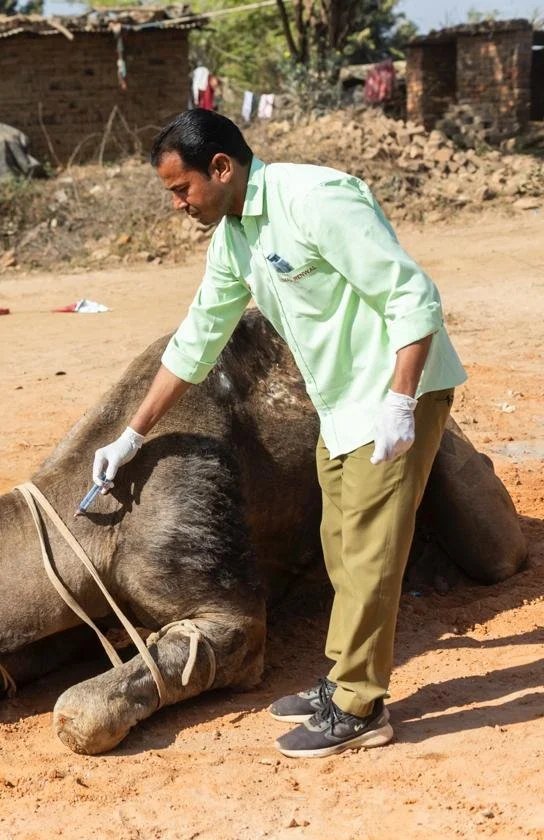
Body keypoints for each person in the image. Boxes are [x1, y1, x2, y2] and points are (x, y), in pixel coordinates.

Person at [90, 109, 466, 759]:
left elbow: (412, 295)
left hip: (395, 388)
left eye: (182, 189)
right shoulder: (233, 240)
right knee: (340, 543)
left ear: (221, 167)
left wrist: (401, 401)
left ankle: (359, 705)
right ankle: (342, 680)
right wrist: (130, 433)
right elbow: (196, 340)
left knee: (371, 551)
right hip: (342, 400)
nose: (179, 204)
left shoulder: (316, 199)